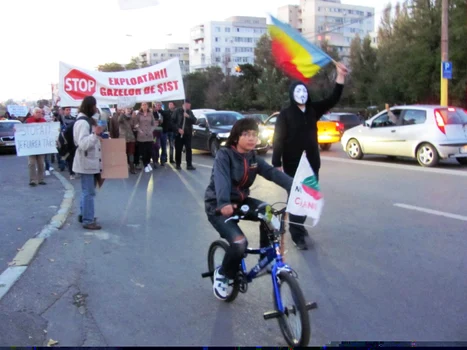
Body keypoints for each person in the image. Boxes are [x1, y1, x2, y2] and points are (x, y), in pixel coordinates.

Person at [205, 118, 293, 300]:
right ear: (236, 137)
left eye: (254, 134)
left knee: (270, 213)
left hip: (242, 202)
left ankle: (265, 259)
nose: (252, 138)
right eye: (246, 134)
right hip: (219, 206)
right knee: (239, 243)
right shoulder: (224, 155)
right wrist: (223, 203)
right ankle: (222, 274)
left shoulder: (253, 158)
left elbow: (272, 173)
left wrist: (296, 188)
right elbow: (221, 180)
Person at [272, 62, 348, 250]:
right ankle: (297, 235)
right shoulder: (286, 114)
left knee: (309, 197)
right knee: (297, 197)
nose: (302, 95)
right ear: (292, 94)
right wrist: (276, 163)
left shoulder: (313, 110)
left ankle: (300, 227)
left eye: (304, 91)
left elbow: (333, 98)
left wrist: (340, 76)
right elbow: (278, 139)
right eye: (298, 92)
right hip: (292, 164)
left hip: (312, 163)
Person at [73, 96, 103, 230]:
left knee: (87, 191)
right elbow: (83, 144)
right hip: (86, 162)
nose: (96, 109)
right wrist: (95, 135)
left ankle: (84, 214)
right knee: (89, 192)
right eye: (94, 106)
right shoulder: (82, 123)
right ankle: (88, 220)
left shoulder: (86, 121)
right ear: (89, 106)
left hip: (89, 162)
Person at [25, 108, 47, 186]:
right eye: (37, 112)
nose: (38, 114)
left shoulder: (44, 121)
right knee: (32, 163)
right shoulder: (28, 121)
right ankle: (33, 180)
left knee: (41, 163)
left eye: (40, 112)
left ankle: (41, 179)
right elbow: (23, 131)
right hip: (31, 147)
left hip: (41, 147)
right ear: (33, 113)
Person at [173, 99, 197, 170]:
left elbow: (195, 121)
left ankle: (189, 164)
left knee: (188, 149)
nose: (190, 106)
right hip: (179, 134)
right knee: (178, 149)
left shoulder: (190, 112)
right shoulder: (177, 111)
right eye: (189, 104)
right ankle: (178, 164)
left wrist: (188, 116)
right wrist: (178, 129)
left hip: (188, 133)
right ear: (185, 104)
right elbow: (172, 122)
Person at [134, 102, 156, 173]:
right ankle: (145, 165)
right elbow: (135, 124)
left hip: (149, 136)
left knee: (149, 151)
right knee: (143, 152)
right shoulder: (138, 115)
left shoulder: (150, 114)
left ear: (147, 106)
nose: (144, 106)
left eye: (146, 104)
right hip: (141, 136)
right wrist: (139, 130)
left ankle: (148, 162)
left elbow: (154, 124)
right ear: (141, 106)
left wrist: (151, 130)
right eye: (143, 105)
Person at [119, 107, 137, 174]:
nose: (129, 110)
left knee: (131, 153)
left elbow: (133, 126)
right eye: (127, 109)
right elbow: (119, 120)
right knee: (124, 153)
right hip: (124, 138)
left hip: (131, 138)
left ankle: (132, 167)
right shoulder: (121, 117)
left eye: (130, 109)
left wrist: (135, 126)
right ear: (124, 110)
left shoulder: (131, 118)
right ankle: (124, 167)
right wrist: (122, 113)